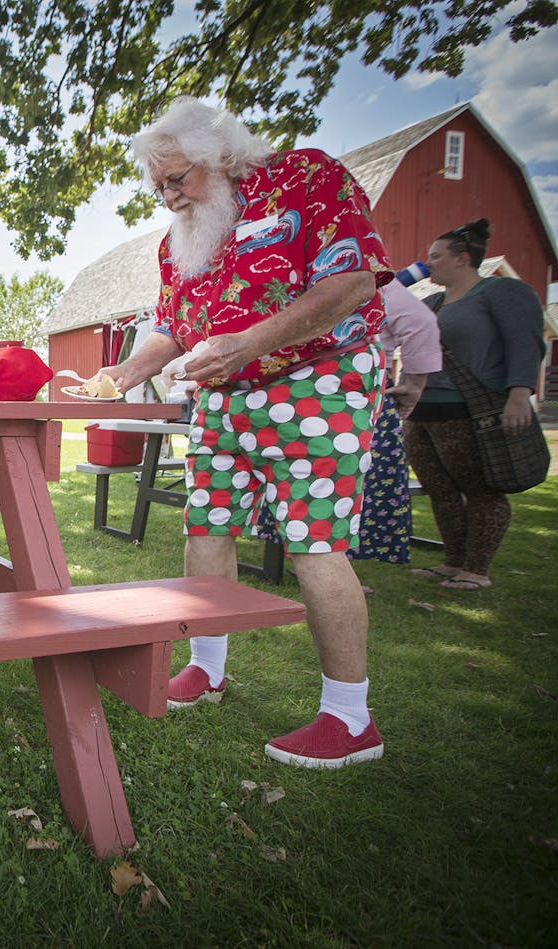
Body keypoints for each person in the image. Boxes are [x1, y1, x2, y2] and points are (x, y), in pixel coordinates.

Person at [94, 97, 392, 769]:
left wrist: (244, 344)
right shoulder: (182, 240)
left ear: (220, 155)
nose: (168, 197)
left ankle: (350, 716)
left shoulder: (310, 179)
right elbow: (172, 328)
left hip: (319, 379)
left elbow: (351, 281)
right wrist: (115, 377)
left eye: (177, 179)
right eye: (158, 186)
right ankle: (207, 667)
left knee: (314, 538)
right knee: (207, 527)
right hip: (223, 397)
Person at [252, 278, 441, 568]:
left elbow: (421, 323)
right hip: (296, 388)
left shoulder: (360, 275)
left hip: (341, 390)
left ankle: (335, 568)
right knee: (308, 482)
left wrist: (414, 382)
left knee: (338, 483)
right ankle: (319, 565)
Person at [402, 218, 546, 591]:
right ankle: (453, 560)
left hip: (473, 409)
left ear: (462, 258)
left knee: (482, 489)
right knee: (439, 487)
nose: (428, 262)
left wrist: (519, 394)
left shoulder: (500, 292)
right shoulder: (432, 301)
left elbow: (525, 343)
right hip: (424, 410)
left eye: (436, 256)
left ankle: (476, 569)